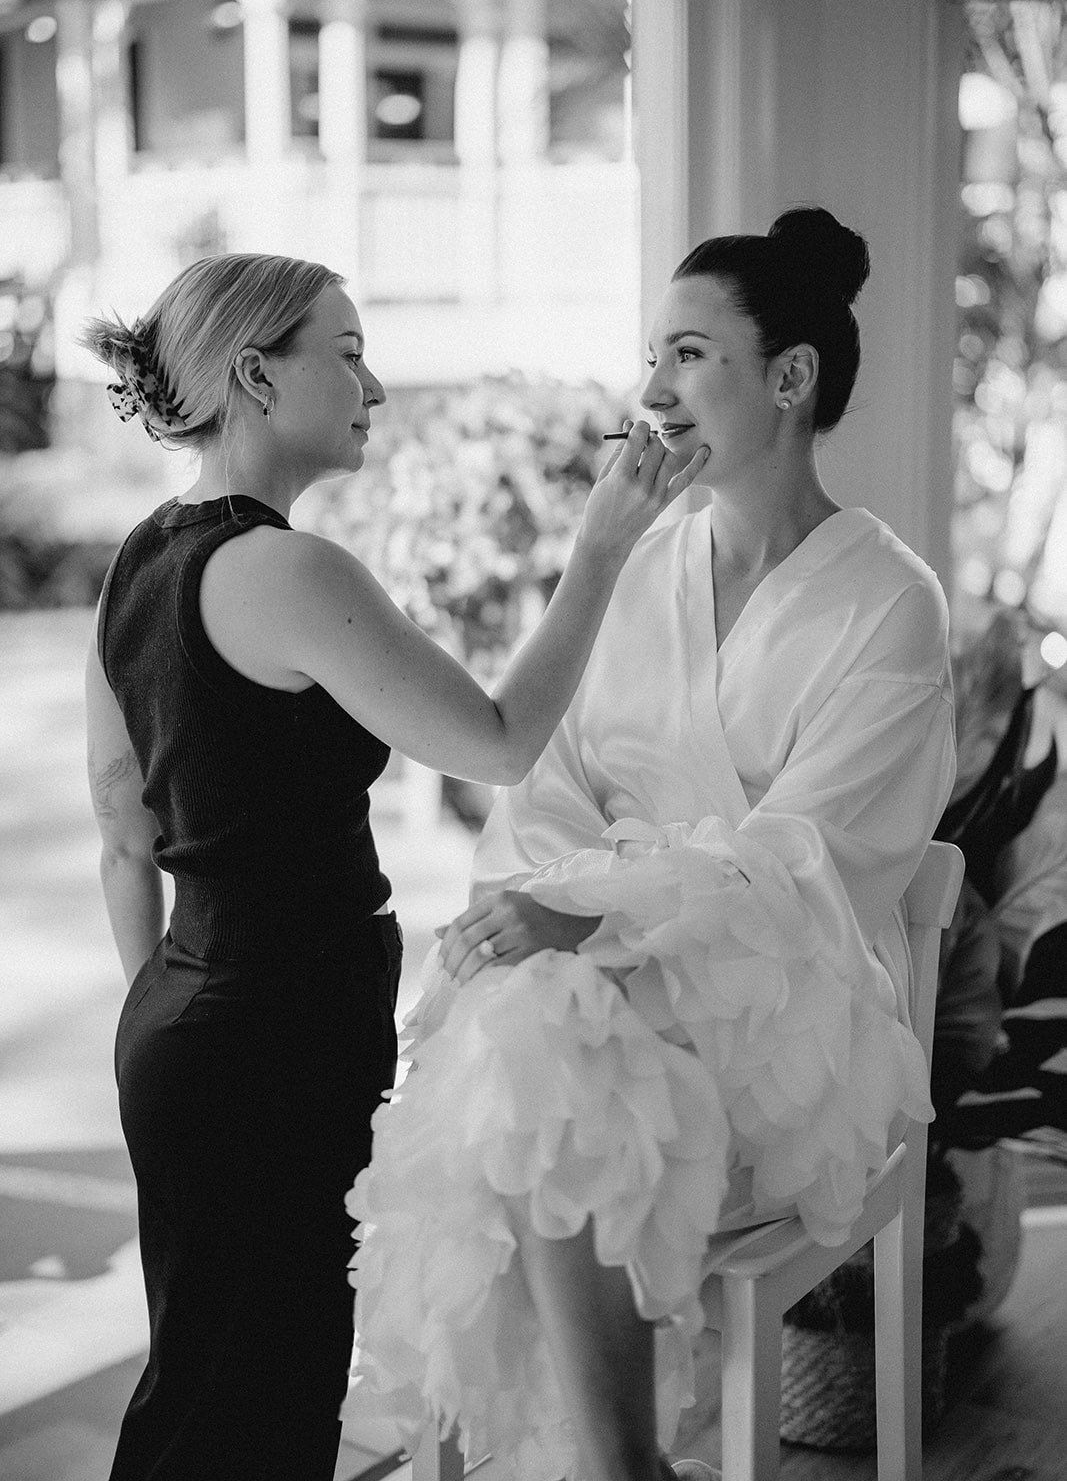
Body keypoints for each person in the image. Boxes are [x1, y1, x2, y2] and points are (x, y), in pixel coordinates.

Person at [345, 208, 958, 1481]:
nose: (651, 390)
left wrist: (600, 925)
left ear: (788, 378)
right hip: (586, 985)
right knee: (529, 1038)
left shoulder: (890, 604)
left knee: (525, 1052)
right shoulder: (638, 563)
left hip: (786, 1005)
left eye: (686, 354)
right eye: (650, 355)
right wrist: (560, 927)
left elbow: (816, 855)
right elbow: (545, 794)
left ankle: (611, 1464)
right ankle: (626, 1465)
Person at [81, 251, 705, 1481]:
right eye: (349, 351)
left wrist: (167, 1004)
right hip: (273, 1034)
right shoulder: (290, 571)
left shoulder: (139, 560)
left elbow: (119, 820)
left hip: (180, 1024)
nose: (374, 384)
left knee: (201, 1386)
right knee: (263, 1403)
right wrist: (601, 547)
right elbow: (500, 741)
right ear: (256, 373)